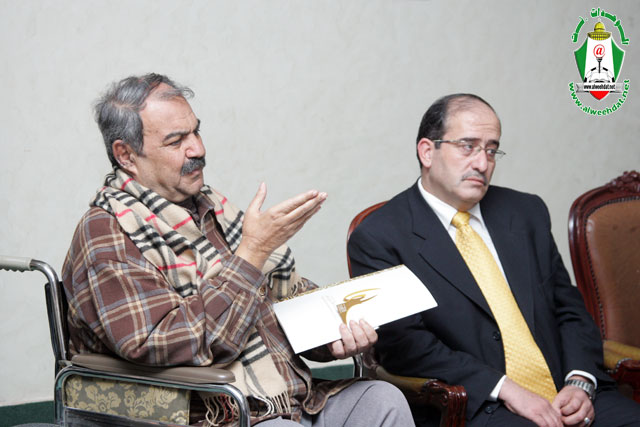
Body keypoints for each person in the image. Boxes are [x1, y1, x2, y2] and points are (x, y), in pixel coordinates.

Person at [62, 73, 414, 427]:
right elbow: (170, 344)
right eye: (176, 141)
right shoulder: (106, 231)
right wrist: (252, 253)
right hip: (208, 415)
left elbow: (279, 307)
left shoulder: (213, 209)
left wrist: (334, 336)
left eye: (196, 132)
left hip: (290, 400)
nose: (197, 149)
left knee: (382, 401)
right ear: (126, 155)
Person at [347, 93, 640, 427]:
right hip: (478, 404)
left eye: (491, 149)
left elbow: (569, 309)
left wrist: (580, 381)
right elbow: (407, 346)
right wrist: (505, 389)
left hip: (566, 392)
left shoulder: (526, 212)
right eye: (468, 146)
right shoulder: (380, 235)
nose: (482, 163)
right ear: (427, 151)